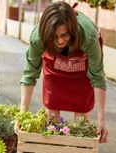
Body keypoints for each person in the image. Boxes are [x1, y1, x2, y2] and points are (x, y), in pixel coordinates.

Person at [18, 1, 109, 144]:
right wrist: (22, 113)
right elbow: (30, 75)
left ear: (72, 30)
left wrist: (102, 120)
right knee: (52, 108)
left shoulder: (88, 35)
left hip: (82, 67)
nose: (60, 40)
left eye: (64, 35)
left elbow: (98, 77)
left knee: (82, 110)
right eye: (54, 36)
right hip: (54, 65)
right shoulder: (38, 37)